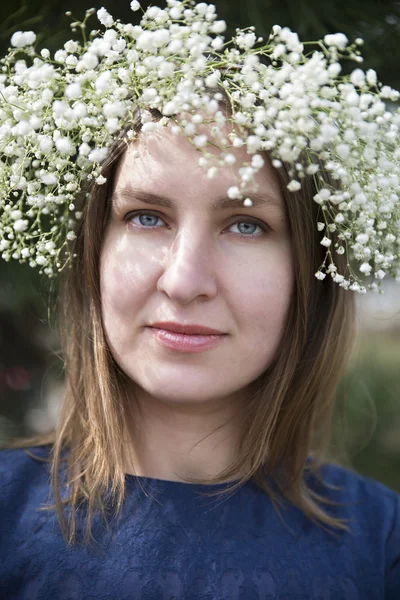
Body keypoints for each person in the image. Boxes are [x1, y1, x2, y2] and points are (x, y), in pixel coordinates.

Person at [0, 1, 399, 598]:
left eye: (246, 225)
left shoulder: (382, 546)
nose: (185, 281)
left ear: (309, 272)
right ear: (94, 252)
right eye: (145, 217)